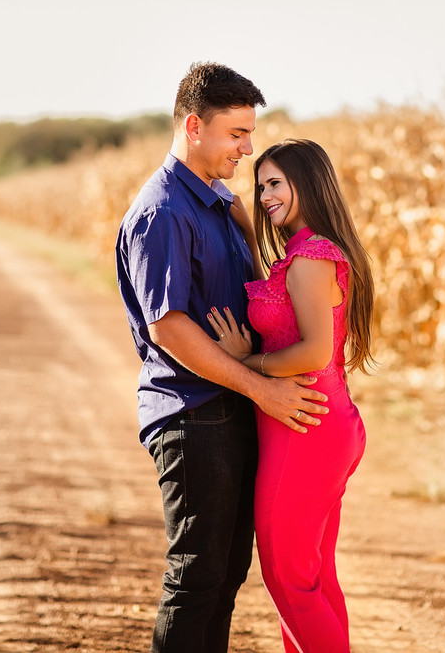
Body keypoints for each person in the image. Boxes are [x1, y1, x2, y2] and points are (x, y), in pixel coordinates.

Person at [115, 63, 331, 653]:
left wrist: (237, 206)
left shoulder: (213, 203)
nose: (248, 147)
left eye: (250, 133)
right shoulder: (163, 211)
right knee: (197, 576)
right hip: (191, 412)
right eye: (236, 133)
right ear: (194, 126)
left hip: (227, 405)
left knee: (226, 575)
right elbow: (169, 328)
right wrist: (263, 388)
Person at [207, 138, 375, 653]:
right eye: (260, 187)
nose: (264, 196)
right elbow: (283, 303)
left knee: (290, 580)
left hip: (305, 426)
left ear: (309, 183)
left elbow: (312, 352)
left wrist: (243, 363)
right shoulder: (307, 251)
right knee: (313, 576)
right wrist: (244, 228)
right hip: (322, 421)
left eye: (275, 183)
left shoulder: (312, 256)